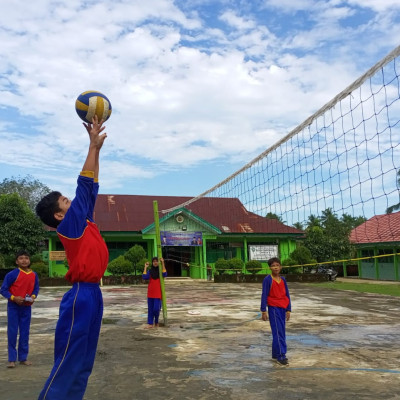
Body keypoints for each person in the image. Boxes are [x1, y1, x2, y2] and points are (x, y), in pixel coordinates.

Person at [35, 115, 108, 400]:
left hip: (94, 294)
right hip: (81, 296)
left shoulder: (84, 221)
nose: (73, 201)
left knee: (84, 362)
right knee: (69, 359)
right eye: (66, 201)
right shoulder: (70, 226)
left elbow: (90, 187)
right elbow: (83, 184)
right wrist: (90, 146)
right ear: (58, 216)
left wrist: (98, 152)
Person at [0, 250, 39, 368]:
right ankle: (11, 359)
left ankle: (23, 358)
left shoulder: (34, 275)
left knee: (25, 332)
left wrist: (32, 297)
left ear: (29, 260)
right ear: (17, 261)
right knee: (12, 332)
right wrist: (13, 297)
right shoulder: (12, 274)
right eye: (21, 258)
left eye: (26, 258)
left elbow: (36, 289)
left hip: (26, 308)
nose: (24, 260)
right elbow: (3, 289)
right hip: (13, 307)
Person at [260, 257, 291, 366]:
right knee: (278, 332)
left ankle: (275, 354)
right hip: (273, 308)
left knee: (280, 331)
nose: (275, 267)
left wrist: (288, 309)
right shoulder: (268, 280)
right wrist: (263, 310)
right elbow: (264, 294)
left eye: (277, 265)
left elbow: (287, 294)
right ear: (270, 268)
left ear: (280, 267)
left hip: (283, 307)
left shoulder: (283, 280)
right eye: (273, 265)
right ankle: (281, 355)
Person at [142, 257, 167, 328]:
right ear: (152, 263)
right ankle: (150, 323)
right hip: (150, 293)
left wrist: (162, 263)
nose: (155, 262)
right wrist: (145, 267)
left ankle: (156, 321)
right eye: (154, 261)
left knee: (156, 309)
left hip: (158, 293)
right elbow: (144, 277)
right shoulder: (150, 271)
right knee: (150, 309)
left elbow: (165, 274)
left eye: (156, 261)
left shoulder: (160, 271)